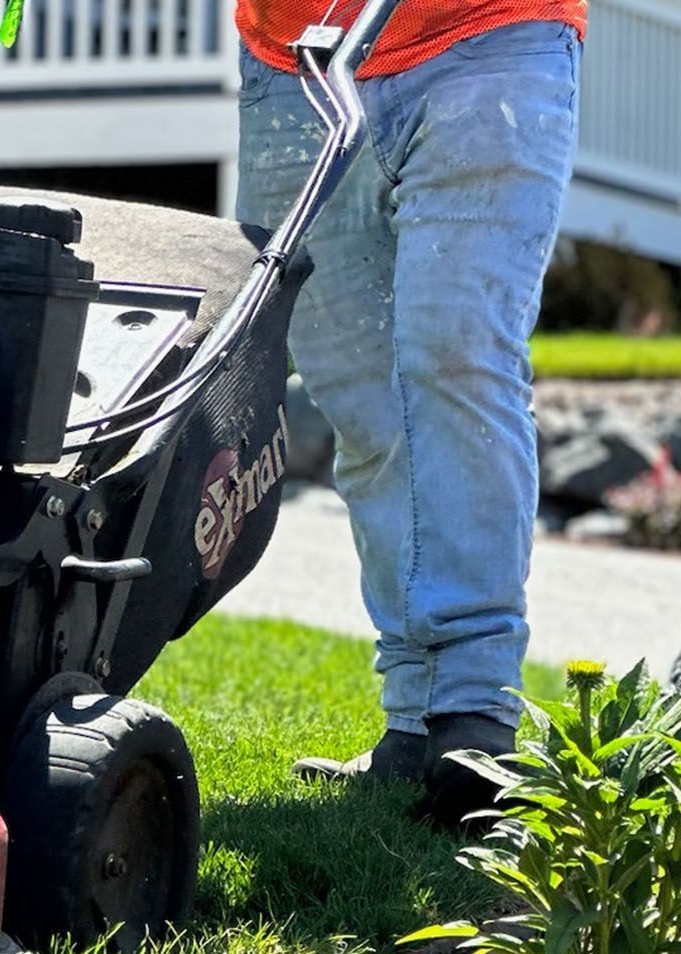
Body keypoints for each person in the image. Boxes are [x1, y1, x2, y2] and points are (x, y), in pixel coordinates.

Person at [234, 0, 586, 821]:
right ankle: (412, 719)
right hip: (298, 62)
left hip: (489, 35)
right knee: (357, 394)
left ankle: (475, 714)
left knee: (458, 359)